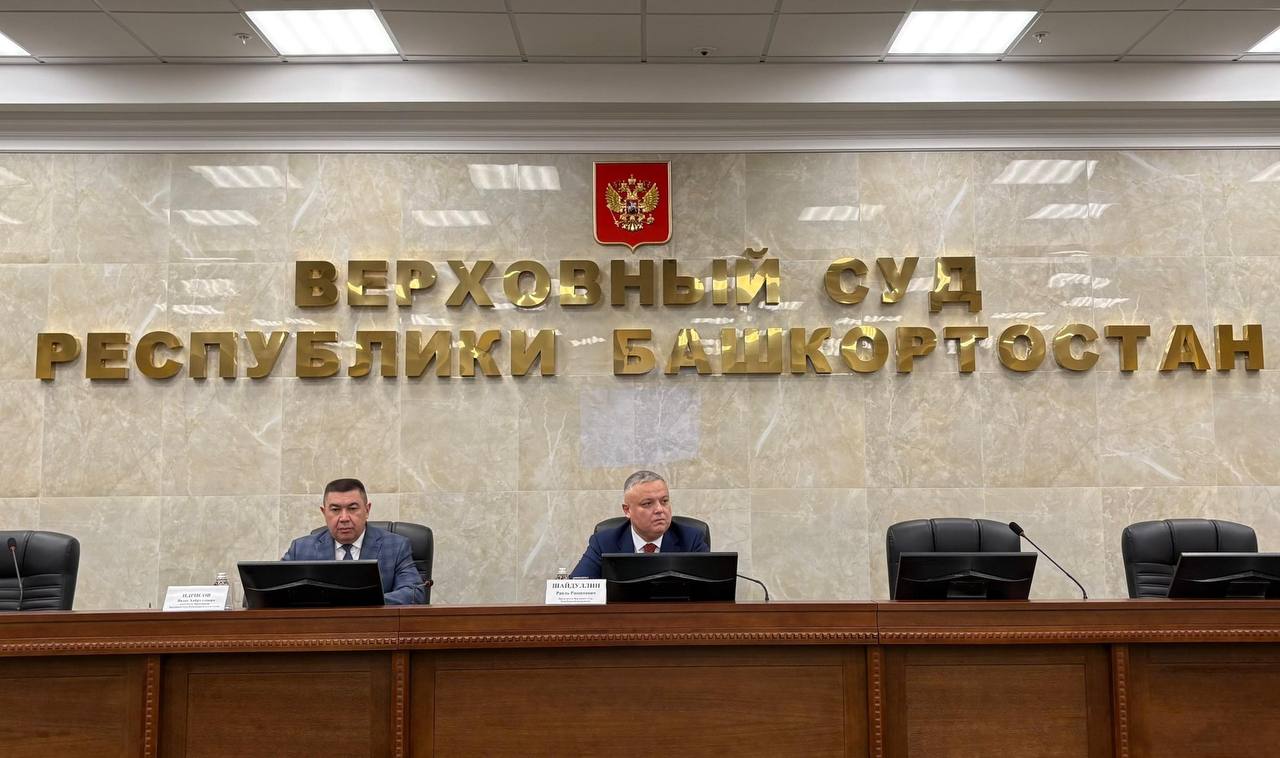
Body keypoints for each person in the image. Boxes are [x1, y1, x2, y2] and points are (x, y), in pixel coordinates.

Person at [282, 477, 425, 605]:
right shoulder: (301, 549)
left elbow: (414, 593)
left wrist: (363, 602)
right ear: (324, 512)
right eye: (335, 510)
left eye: (352, 508)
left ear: (367, 510)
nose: (344, 518)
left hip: (374, 625)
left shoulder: (396, 546)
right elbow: (275, 591)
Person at [569, 470, 708, 579]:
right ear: (627, 510)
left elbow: (710, 592)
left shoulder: (691, 539)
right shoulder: (604, 542)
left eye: (664, 501)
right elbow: (577, 588)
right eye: (647, 503)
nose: (659, 509)